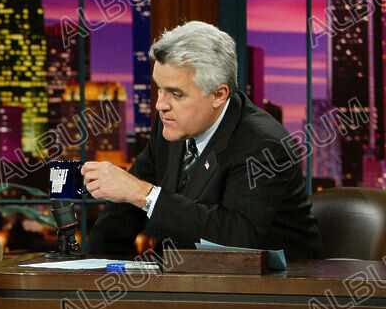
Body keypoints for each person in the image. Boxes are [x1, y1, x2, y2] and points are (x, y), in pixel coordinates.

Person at [83, 21, 323, 260]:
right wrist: (90, 271)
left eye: (176, 94)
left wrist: (143, 194)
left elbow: (237, 235)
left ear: (218, 95)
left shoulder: (263, 144)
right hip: (190, 280)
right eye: (160, 89)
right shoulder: (172, 125)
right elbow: (123, 212)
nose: (161, 105)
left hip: (274, 287)